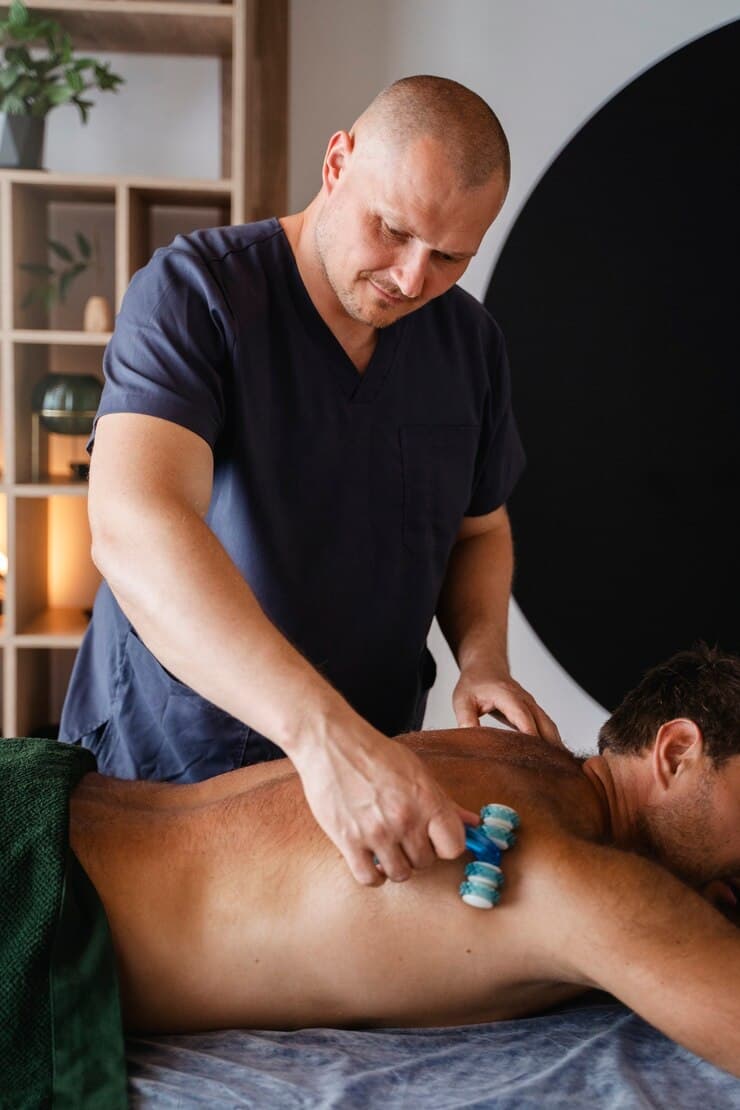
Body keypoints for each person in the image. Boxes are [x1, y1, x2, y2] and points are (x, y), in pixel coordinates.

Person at [59, 75, 560, 886]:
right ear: (337, 164)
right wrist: (322, 735)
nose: (411, 279)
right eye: (392, 230)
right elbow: (133, 524)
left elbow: (479, 528)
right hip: (172, 767)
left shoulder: (468, 345)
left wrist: (483, 659)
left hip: (370, 770)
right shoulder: (196, 294)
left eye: (449, 257)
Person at [61, 645, 739, 1076]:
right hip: (42, 906)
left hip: (54, 801)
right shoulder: (577, 871)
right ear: (676, 752)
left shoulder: (518, 756)